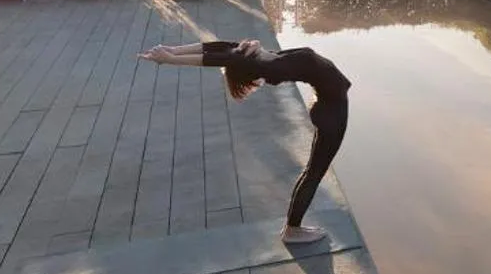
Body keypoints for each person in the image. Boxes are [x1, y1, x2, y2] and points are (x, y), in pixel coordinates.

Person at [140, 38, 351, 243]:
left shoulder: (263, 58)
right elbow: (217, 59)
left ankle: (292, 227)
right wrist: (170, 59)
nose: (247, 44)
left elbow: (220, 47)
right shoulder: (273, 67)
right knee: (313, 174)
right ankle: (293, 229)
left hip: (327, 107)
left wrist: (173, 50)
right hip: (332, 114)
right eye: (244, 50)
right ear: (249, 65)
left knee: (311, 172)